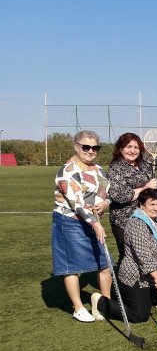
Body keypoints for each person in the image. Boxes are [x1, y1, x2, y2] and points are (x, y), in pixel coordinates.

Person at [96, 189, 157, 322]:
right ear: (142, 205)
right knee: (139, 316)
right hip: (137, 275)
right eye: (152, 204)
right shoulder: (136, 223)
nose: (156, 208)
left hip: (156, 268)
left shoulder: (155, 220)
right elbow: (143, 256)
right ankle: (100, 302)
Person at [52, 130, 112, 322]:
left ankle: (105, 304)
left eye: (95, 147)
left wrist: (104, 203)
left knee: (104, 263)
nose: (91, 151)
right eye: (86, 147)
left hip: (92, 221)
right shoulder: (67, 171)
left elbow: (106, 192)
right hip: (69, 222)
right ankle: (78, 308)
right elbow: (76, 202)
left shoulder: (98, 169)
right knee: (71, 266)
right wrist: (94, 223)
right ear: (76, 146)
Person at [107, 123, 157, 257]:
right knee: (129, 257)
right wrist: (145, 188)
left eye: (136, 147)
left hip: (147, 218)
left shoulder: (145, 162)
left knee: (147, 255)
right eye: (128, 147)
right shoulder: (116, 167)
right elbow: (119, 196)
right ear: (120, 149)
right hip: (125, 221)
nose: (132, 151)